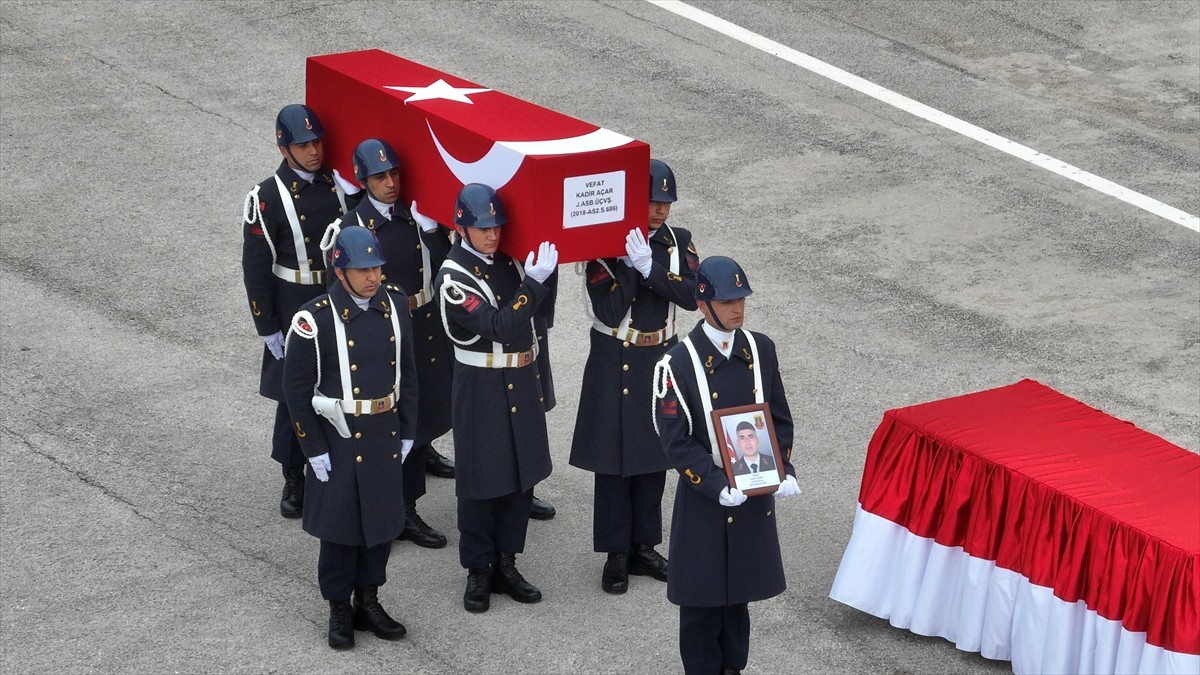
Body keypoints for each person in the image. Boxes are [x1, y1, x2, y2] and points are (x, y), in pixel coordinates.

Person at [651, 255, 802, 675]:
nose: (738, 308)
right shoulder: (677, 363)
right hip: (706, 500)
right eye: (728, 300)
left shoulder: (761, 349)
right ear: (703, 304)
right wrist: (714, 483)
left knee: (737, 604)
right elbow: (675, 439)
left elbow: (779, 418)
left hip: (751, 495)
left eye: (742, 298)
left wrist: (782, 468)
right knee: (701, 607)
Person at [282, 226, 417, 650]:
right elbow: (296, 392)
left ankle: (369, 599)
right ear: (340, 271)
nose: (373, 277)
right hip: (339, 436)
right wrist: (313, 448)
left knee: (379, 523)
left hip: (382, 431)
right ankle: (339, 605)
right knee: (340, 528)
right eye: (363, 270)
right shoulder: (314, 319)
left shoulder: (394, 305)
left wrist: (410, 430)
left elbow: (409, 374)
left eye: (376, 267)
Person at [568, 158, 699, 594]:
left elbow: (691, 294)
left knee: (654, 456)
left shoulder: (677, 243)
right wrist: (626, 263)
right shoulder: (604, 245)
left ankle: (643, 545)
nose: (660, 211)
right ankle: (615, 554)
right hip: (614, 356)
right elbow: (607, 310)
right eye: (651, 202)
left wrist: (649, 267)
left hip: (659, 357)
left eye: (665, 202)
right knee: (613, 461)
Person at [434, 183, 558, 613]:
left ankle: (507, 561)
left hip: (519, 378)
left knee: (519, 476)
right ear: (462, 227)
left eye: (497, 227)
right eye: (483, 228)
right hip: (481, 387)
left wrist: (545, 273)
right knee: (481, 483)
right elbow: (501, 325)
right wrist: (535, 283)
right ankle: (478, 569)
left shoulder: (509, 262)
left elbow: (540, 313)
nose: (493, 235)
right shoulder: (453, 277)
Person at [241, 103, 359, 519]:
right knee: (294, 395)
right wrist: (267, 325)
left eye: (317, 143)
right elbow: (256, 266)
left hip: (334, 297)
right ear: (284, 147)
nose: (314, 152)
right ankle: (294, 474)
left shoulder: (336, 186)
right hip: (294, 304)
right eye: (304, 145)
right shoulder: (267, 196)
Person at [341, 137, 451, 549]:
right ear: (363, 180)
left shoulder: (414, 214)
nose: (390, 183)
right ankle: (401, 510)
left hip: (423, 322)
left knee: (423, 413)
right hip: (385, 329)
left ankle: (409, 493)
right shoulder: (353, 228)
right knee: (394, 420)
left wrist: (434, 233)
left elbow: (445, 266)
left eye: (394, 173)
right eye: (380, 176)